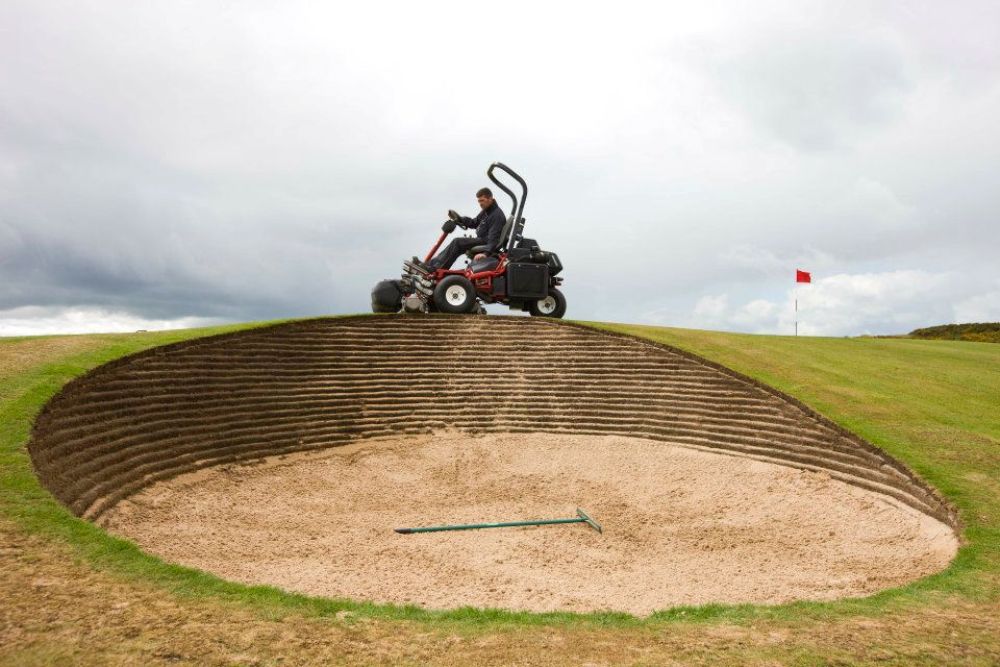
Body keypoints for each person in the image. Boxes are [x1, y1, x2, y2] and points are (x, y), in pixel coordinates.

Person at [425, 187, 506, 270]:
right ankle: (430, 265)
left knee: (458, 242)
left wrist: (486, 253)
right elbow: (474, 223)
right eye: (479, 201)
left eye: (482, 200)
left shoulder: (497, 215)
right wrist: (461, 219)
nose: (480, 204)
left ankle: (436, 267)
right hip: (482, 240)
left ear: (490, 199)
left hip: (486, 241)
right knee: (458, 244)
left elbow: (494, 237)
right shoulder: (486, 212)